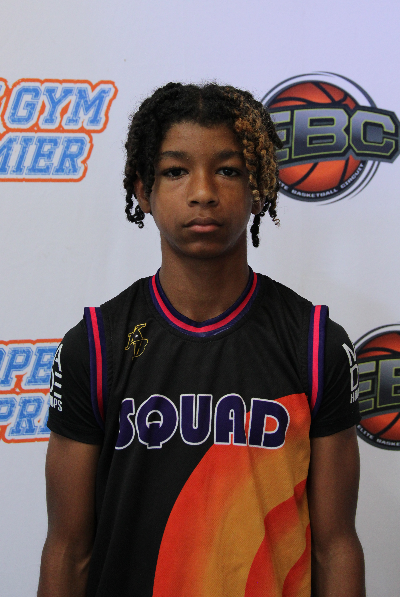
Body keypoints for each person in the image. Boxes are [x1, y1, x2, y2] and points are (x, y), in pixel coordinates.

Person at [37, 82, 365, 597]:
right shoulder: (96, 347)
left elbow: (335, 545)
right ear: (142, 190)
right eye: (175, 171)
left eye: (228, 170)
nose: (203, 192)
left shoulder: (315, 344)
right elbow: (68, 549)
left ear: (259, 186)